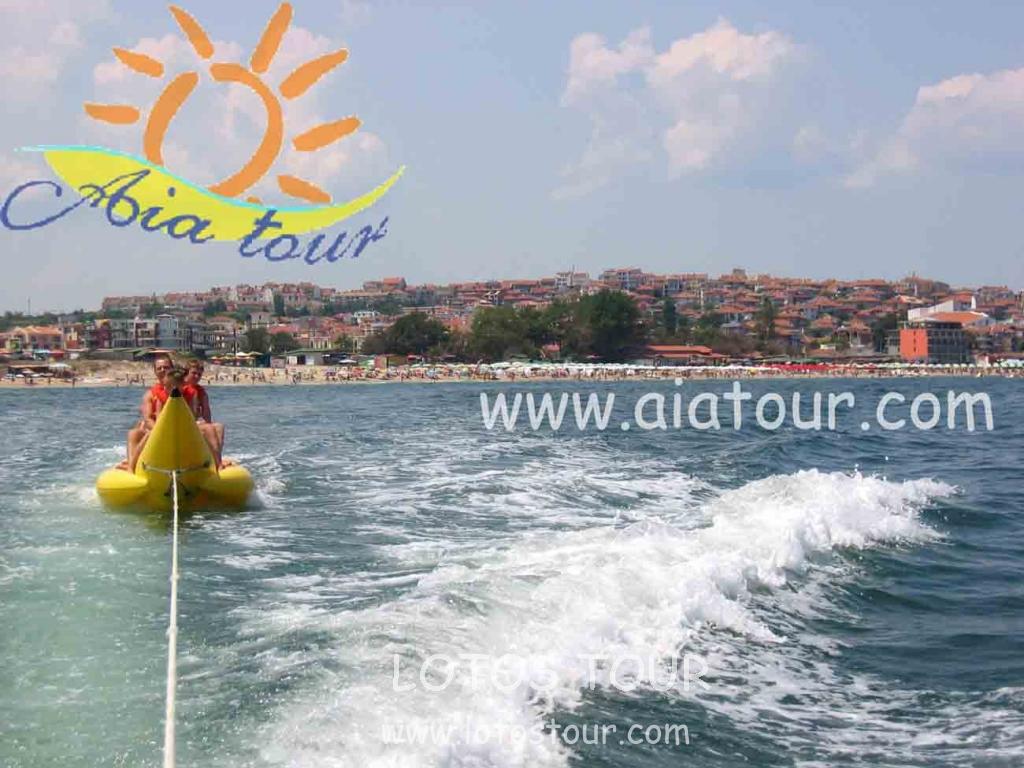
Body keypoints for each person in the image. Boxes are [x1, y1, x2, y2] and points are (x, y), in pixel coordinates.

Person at [122, 354, 174, 471]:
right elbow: (147, 419)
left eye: (166, 367)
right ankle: (132, 466)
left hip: (178, 428)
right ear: (155, 372)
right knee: (134, 433)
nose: (163, 370)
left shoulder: (183, 389)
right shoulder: (150, 395)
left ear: (172, 369)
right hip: (156, 428)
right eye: (159, 368)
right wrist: (159, 431)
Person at [182, 359, 231, 468]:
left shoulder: (201, 392)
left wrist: (207, 423)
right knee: (209, 428)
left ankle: (216, 458)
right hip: (182, 424)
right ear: (186, 372)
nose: (196, 377)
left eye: (199, 374)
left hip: (195, 424)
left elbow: (206, 414)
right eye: (193, 373)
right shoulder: (180, 388)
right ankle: (218, 464)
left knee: (219, 427)